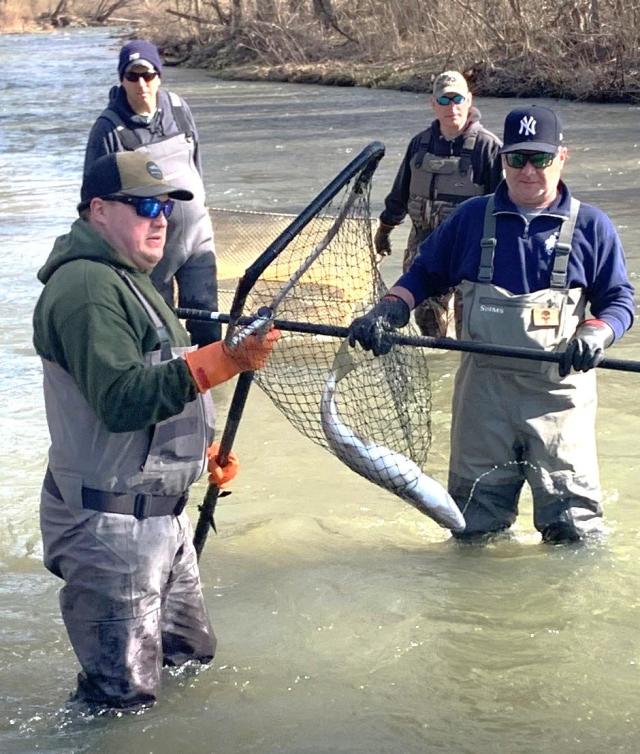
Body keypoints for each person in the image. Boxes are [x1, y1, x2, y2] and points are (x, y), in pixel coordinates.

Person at [33, 150, 278, 709]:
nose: (160, 218)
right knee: (121, 704)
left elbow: (157, 379)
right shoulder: (88, 288)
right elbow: (120, 400)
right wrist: (225, 361)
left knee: (190, 660)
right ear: (98, 210)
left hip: (158, 519)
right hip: (109, 529)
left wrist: (198, 448)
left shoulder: (131, 280)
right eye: (144, 205)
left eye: (165, 207)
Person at [349, 105, 634, 544]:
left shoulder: (592, 227)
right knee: (472, 531)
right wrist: (390, 307)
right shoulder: (470, 219)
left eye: (539, 159)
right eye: (517, 159)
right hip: (483, 397)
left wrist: (597, 332)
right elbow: (423, 276)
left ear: (562, 157)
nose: (527, 170)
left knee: (576, 535)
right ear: (503, 160)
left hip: (558, 398)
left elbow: (619, 301)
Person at [84, 39, 220, 347]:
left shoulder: (179, 108)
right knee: (160, 334)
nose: (141, 84)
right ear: (122, 80)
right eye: (132, 76)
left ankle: (215, 395)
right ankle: (170, 392)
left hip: (197, 238)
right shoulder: (108, 130)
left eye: (147, 75)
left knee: (208, 326)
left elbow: (196, 164)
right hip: (148, 250)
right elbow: (92, 202)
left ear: (159, 75)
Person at [373, 70, 503, 338]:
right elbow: (400, 194)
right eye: (444, 100)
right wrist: (384, 230)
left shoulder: (488, 148)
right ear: (433, 104)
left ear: (469, 100)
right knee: (427, 321)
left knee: (471, 328)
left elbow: (506, 206)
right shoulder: (419, 144)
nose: (451, 107)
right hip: (424, 245)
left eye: (457, 99)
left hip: (472, 249)